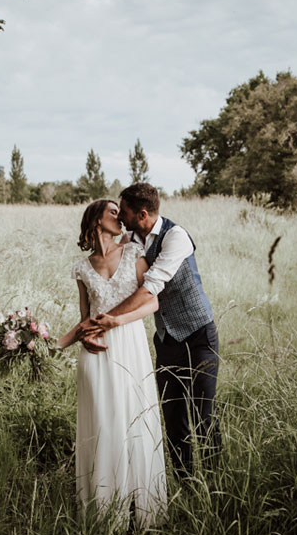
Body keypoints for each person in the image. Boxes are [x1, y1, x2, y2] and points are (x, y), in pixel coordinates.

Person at [83, 183, 221, 481]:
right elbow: (108, 260)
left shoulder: (177, 237)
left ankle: (215, 484)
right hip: (166, 340)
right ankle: (186, 482)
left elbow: (150, 289)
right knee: (173, 418)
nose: (120, 217)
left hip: (198, 335)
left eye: (125, 212)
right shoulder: (130, 238)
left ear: (142, 214)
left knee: (203, 415)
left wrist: (106, 319)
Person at [56, 199, 167, 529]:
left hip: (129, 345)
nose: (122, 217)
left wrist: (118, 322)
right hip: (97, 355)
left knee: (132, 422)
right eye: (114, 212)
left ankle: (140, 510)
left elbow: (152, 302)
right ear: (96, 221)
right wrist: (49, 346)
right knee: (103, 426)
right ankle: (106, 512)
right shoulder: (82, 268)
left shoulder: (133, 254)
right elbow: (85, 320)